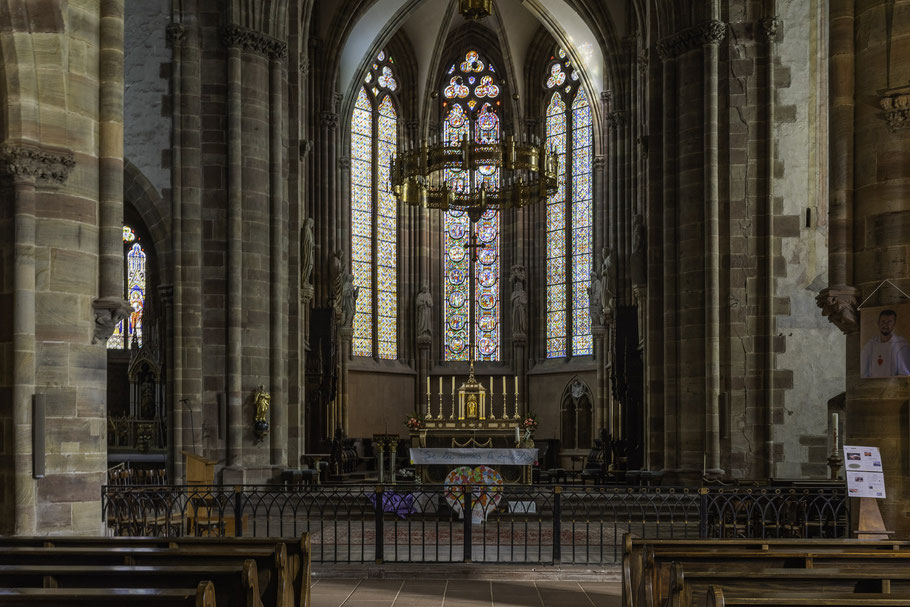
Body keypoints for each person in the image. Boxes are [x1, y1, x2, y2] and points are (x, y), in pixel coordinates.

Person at [861, 309, 910, 378]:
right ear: (878, 323)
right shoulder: (871, 344)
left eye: (889, 322)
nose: (886, 325)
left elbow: (905, 374)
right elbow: (863, 372)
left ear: (894, 324)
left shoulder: (901, 345)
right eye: (883, 322)